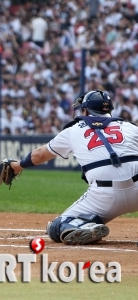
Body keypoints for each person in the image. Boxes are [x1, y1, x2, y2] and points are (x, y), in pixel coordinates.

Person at [8, 90, 138, 245]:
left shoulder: (73, 130)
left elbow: (39, 156)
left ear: (85, 110)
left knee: (56, 227)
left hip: (104, 196)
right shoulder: (130, 127)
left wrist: (16, 166)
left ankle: (86, 226)